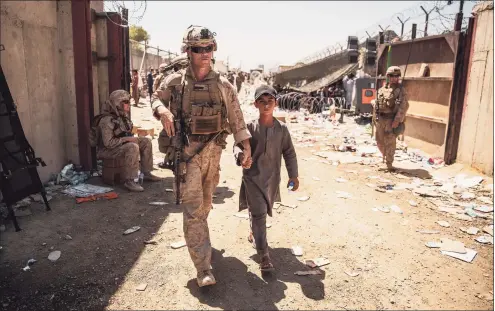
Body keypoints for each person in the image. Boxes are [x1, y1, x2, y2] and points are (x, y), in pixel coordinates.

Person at [150, 25, 252, 287]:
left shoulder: (223, 85)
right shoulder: (175, 82)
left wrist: (245, 146)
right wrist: (163, 111)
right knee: (194, 209)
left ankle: (202, 245)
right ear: (188, 51)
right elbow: (155, 98)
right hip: (187, 155)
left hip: (213, 153)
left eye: (208, 48)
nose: (204, 53)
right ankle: (203, 267)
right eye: (198, 49)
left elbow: (237, 119)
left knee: (206, 205)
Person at [234, 85, 299, 272]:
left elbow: (289, 153)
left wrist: (293, 175)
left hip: (271, 180)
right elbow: (238, 146)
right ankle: (264, 255)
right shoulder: (249, 128)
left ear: (276, 103)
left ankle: (255, 233)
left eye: (270, 101)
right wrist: (240, 156)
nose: (266, 105)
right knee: (259, 214)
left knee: (259, 212)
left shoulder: (282, 129)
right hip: (252, 179)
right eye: (261, 101)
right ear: (255, 104)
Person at [91, 90, 161, 192]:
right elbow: (108, 143)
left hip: (118, 146)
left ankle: (146, 173)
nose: (129, 105)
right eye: (125, 102)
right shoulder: (106, 121)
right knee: (132, 147)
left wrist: (139, 134)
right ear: (117, 103)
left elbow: (127, 130)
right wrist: (128, 139)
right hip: (105, 151)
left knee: (146, 141)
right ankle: (130, 181)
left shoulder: (122, 117)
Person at [372, 66, 409, 171]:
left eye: (397, 76)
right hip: (380, 119)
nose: (394, 78)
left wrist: (397, 120)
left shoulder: (401, 90)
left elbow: (403, 106)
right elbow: (378, 103)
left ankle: (389, 163)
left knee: (390, 141)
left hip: (391, 120)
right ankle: (384, 157)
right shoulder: (382, 90)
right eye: (392, 76)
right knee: (379, 141)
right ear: (388, 76)